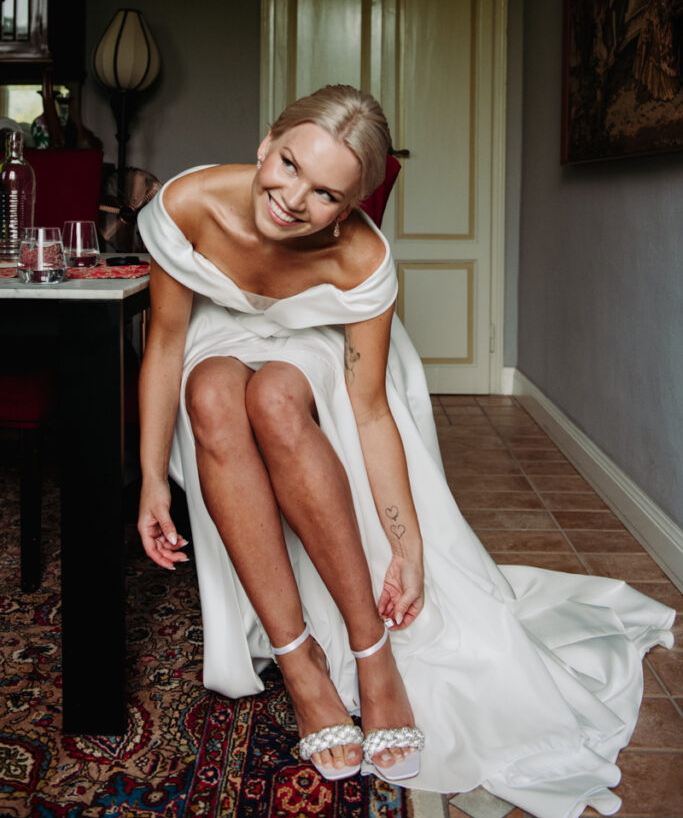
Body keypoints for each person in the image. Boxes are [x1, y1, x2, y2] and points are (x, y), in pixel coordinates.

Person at [137, 85, 674, 818]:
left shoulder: (360, 257)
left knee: (273, 400)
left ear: (353, 205)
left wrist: (407, 545)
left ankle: (371, 650)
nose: (292, 198)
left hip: (320, 348)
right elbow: (166, 343)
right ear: (266, 143)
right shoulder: (187, 204)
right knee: (212, 399)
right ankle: (302, 669)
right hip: (216, 337)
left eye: (325, 193)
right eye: (288, 164)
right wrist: (149, 483)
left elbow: (368, 411)